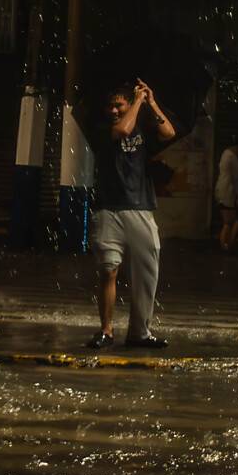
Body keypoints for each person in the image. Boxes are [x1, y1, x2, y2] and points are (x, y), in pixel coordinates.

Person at [86, 79, 176, 349]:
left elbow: (169, 132)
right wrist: (136, 102)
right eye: (110, 106)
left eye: (118, 105)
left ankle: (140, 333)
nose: (113, 110)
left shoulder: (145, 128)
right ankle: (106, 330)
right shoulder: (102, 128)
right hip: (108, 209)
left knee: (147, 272)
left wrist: (151, 101)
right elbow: (123, 130)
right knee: (107, 270)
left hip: (140, 208)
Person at [215, 136, 238, 251]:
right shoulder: (231, 157)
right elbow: (236, 179)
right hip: (227, 193)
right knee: (228, 222)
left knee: (230, 221)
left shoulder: (225, 154)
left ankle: (228, 245)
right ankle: (227, 246)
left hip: (223, 192)